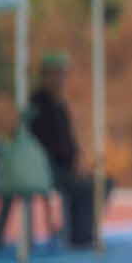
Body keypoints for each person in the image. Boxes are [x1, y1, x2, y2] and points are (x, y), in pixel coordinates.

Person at [24, 52, 102, 248]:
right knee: (83, 187)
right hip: (48, 167)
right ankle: (79, 236)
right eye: (55, 74)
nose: (60, 79)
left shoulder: (60, 104)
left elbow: (70, 141)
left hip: (64, 166)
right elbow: (47, 143)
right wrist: (69, 164)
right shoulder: (38, 104)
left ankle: (80, 230)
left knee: (100, 184)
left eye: (62, 74)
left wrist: (78, 161)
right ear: (45, 76)